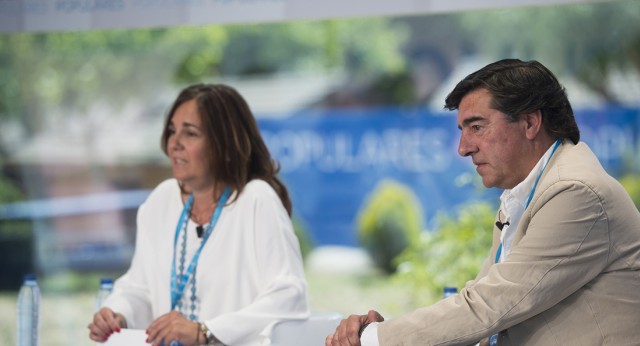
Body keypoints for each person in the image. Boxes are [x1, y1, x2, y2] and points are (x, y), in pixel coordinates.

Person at [326, 59, 640, 345]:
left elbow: (489, 307)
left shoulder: (576, 192)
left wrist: (374, 339)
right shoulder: (524, 193)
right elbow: (481, 309)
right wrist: (388, 332)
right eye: (462, 131)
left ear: (530, 123)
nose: (463, 148)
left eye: (477, 127)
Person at [88, 83, 309, 346]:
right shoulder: (162, 200)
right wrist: (118, 313)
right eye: (172, 131)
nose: (174, 143)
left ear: (224, 145)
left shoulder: (256, 200)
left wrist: (206, 332)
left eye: (190, 133)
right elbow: (140, 288)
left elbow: (289, 296)